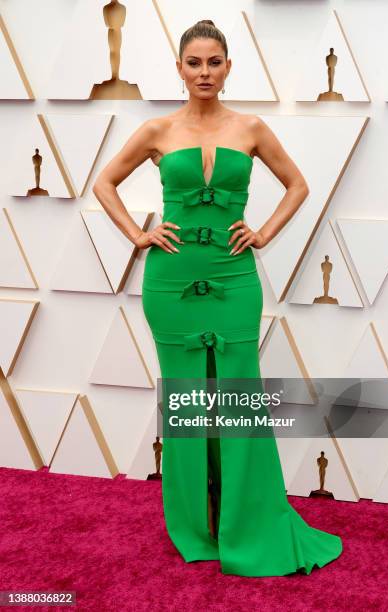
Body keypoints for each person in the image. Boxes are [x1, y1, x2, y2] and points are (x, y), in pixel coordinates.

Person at [92, 19, 343, 577]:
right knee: (185, 405)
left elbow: (298, 184)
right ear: (179, 69)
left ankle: (247, 523)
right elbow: (103, 183)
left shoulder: (251, 127)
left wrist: (264, 232)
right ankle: (194, 526)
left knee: (238, 401)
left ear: (228, 67)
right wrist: (138, 234)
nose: (204, 72)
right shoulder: (157, 131)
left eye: (214, 62)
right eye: (194, 63)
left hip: (233, 280)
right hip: (171, 282)